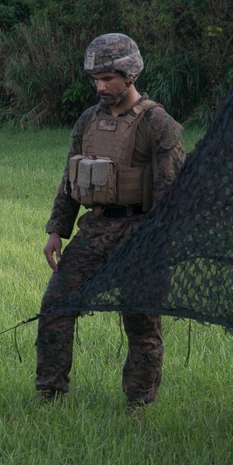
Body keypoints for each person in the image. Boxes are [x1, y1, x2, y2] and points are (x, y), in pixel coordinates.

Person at [35, 33, 185, 410]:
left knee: (140, 321)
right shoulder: (88, 120)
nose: (100, 87)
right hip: (96, 228)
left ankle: (139, 402)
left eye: (108, 79)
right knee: (55, 305)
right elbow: (70, 179)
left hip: (141, 234)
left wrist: (158, 246)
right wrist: (57, 230)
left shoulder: (158, 124)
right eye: (96, 80)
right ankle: (49, 393)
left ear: (130, 74)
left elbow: (171, 197)